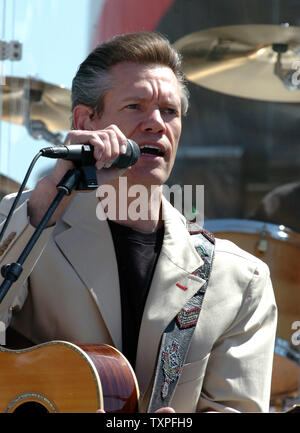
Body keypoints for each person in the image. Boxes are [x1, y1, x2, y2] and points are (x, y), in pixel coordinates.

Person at [0, 31, 277, 413]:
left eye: (170, 111)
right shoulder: (24, 221)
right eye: (135, 106)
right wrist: (50, 196)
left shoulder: (239, 281)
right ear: (86, 120)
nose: (157, 124)